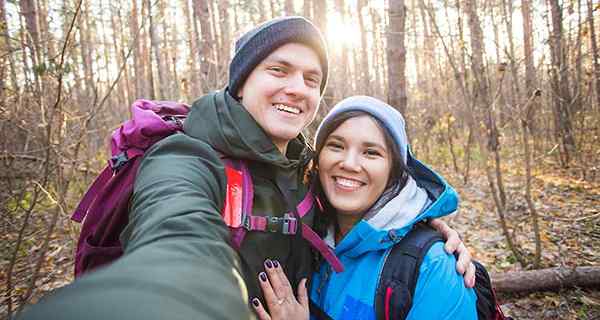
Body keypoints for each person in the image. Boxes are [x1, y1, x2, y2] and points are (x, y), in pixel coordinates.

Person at [16, 18, 472, 320]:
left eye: (311, 80)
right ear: (242, 82)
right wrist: (166, 299)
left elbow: (363, 215)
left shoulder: (306, 168)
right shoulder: (186, 157)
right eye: (279, 69)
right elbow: (179, 240)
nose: (296, 89)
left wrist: (421, 228)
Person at [252, 96, 477, 319]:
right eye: (336, 146)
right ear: (318, 159)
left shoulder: (434, 267)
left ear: (395, 170)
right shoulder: (306, 234)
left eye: (371, 152)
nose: (349, 163)